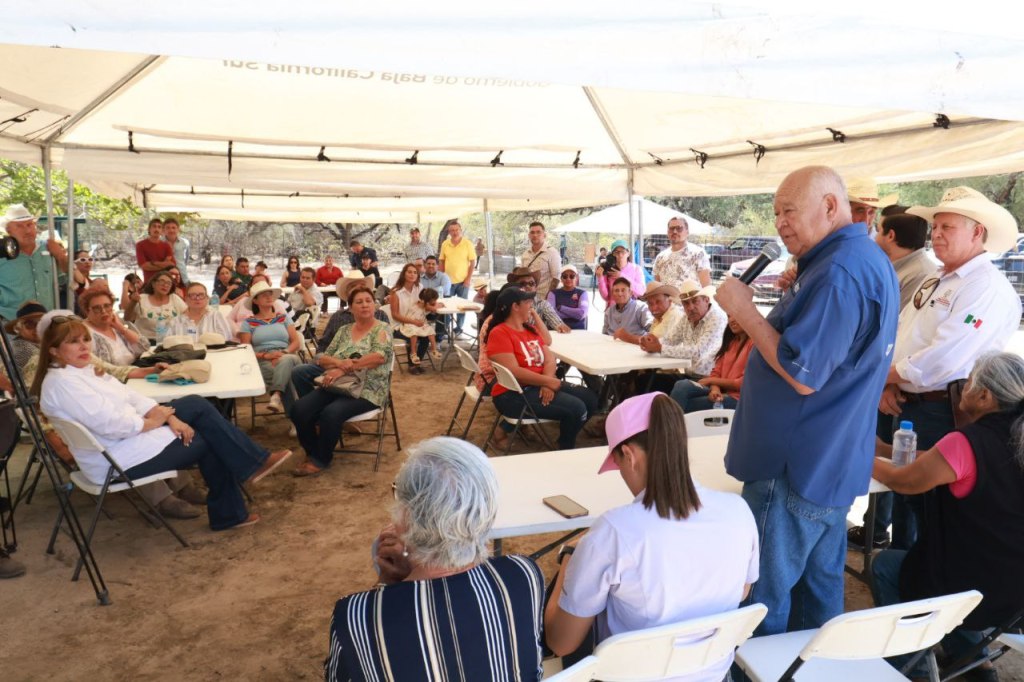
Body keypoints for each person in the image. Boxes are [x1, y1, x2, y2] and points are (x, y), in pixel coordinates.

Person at [715, 165, 899, 635]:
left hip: (794, 467)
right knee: (816, 598)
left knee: (763, 600)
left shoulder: (840, 272)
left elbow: (803, 373)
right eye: (776, 212)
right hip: (826, 460)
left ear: (831, 206)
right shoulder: (855, 260)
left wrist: (744, 311)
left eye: (789, 210)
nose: (780, 222)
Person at [544, 393, 758, 680]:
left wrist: (569, 561)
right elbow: (741, 590)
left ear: (629, 455)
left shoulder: (614, 531)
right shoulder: (738, 510)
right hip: (714, 674)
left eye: (617, 461)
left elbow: (561, 641)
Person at [33, 313, 292, 530]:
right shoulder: (64, 384)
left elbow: (130, 396)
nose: (84, 346)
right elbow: (111, 425)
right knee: (209, 438)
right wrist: (153, 423)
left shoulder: (82, 370)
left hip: (126, 442)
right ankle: (231, 510)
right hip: (116, 460)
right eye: (73, 342)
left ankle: (250, 468)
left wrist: (169, 416)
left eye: (85, 339)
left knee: (194, 403)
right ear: (54, 350)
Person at [326, 437, 543, 681]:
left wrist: (387, 586)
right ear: (487, 509)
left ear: (405, 517)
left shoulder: (356, 615)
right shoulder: (523, 574)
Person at [877, 186, 1021, 552]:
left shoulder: (985, 286)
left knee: (932, 505)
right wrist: (891, 384)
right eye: (935, 226)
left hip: (946, 409)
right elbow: (902, 334)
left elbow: (944, 360)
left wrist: (885, 378)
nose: (936, 234)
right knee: (910, 501)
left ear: (977, 233)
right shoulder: (938, 278)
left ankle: (923, 584)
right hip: (914, 403)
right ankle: (907, 570)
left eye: (947, 227)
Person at [871, 352, 1024, 680]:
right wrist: (885, 450)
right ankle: (976, 661)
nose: (962, 389)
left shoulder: (968, 441)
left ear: (985, 396)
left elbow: (904, 481)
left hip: (974, 589)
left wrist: (859, 456)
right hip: (1016, 598)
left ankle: (909, 667)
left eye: (968, 383)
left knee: (886, 566)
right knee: (962, 581)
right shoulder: (1013, 439)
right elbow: (941, 461)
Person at [846, 208, 938, 550]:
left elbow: (887, 329)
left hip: (902, 385)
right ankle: (878, 528)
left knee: (898, 463)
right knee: (888, 455)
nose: (874, 235)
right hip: (889, 380)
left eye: (878, 229)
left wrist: (886, 380)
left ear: (891, 236)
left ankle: (889, 540)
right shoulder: (905, 269)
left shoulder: (919, 273)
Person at [290, 286, 393, 477]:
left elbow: (378, 357)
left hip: (369, 388)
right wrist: (339, 364)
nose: (364, 305)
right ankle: (313, 452)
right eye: (359, 302)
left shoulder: (382, 329)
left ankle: (321, 459)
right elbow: (322, 358)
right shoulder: (344, 330)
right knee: (299, 409)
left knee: (331, 413)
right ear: (351, 307)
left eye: (368, 300)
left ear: (375, 305)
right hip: (337, 384)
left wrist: (344, 367)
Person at [487, 286, 598, 450]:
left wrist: (547, 383)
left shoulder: (529, 330)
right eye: (528, 302)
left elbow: (549, 358)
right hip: (513, 393)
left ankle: (564, 439)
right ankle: (565, 447)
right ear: (515, 306)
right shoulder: (499, 333)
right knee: (577, 408)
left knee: (590, 399)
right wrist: (548, 381)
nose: (532, 304)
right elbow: (514, 372)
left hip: (538, 384)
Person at [237, 281, 302, 415]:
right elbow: (245, 350)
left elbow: (296, 342)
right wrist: (265, 356)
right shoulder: (248, 323)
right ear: (255, 301)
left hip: (287, 355)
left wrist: (283, 353)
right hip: (264, 360)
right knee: (287, 377)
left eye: (270, 294)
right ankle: (296, 419)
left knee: (286, 361)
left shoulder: (283, 318)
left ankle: (276, 394)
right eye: (263, 295)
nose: (268, 297)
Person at [641, 280, 727, 376]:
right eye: (686, 303)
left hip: (708, 379)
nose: (690, 307)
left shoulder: (717, 318)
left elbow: (698, 353)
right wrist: (651, 343)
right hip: (688, 374)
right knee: (646, 378)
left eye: (695, 301)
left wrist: (659, 348)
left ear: (706, 300)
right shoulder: (686, 318)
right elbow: (670, 339)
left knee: (655, 381)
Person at [670, 314, 754, 412]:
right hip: (720, 391)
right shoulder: (731, 342)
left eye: (735, 315)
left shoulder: (754, 345)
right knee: (682, 385)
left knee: (686, 403)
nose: (731, 320)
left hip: (738, 400)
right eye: (729, 316)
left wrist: (711, 381)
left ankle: (668, 426)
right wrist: (715, 389)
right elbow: (716, 373)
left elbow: (742, 383)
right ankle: (670, 425)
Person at [0, 203, 68, 320]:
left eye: (29, 224)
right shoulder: (1, 253)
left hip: (46, 323)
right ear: (8, 231)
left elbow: (66, 279)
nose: (27, 230)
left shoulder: (49, 249)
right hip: (11, 324)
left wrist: (61, 257)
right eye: (19, 226)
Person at [81, 288, 150, 365]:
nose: (103, 311)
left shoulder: (115, 327)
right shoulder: (84, 333)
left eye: (107, 306)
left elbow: (145, 347)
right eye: (96, 308)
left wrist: (121, 328)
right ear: (87, 311)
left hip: (133, 373)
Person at [123, 270, 187, 343]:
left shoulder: (174, 298)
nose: (165, 285)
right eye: (162, 281)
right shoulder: (142, 298)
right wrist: (133, 302)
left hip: (170, 341)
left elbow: (187, 316)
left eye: (169, 283)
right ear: (153, 284)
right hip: (145, 342)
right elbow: (127, 318)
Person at [389, 263, 429, 374]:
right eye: (409, 272)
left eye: (415, 272)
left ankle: (417, 362)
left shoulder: (420, 287)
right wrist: (413, 322)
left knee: (426, 337)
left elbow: (424, 304)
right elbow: (395, 315)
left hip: (415, 322)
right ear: (404, 274)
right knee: (412, 335)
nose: (412, 274)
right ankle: (412, 366)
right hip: (399, 325)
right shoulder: (396, 292)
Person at [438, 219, 476, 335]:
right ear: (449, 232)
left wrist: (468, 279)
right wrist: (441, 277)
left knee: (462, 307)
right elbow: (442, 261)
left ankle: (459, 327)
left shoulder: (467, 243)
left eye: (457, 230)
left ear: (461, 230)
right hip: (448, 282)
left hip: (463, 281)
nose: (455, 232)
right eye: (452, 230)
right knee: (447, 306)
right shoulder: (445, 244)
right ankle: (446, 328)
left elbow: (473, 262)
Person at [652, 216, 712, 288]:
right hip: (668, 299)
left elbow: (706, 287)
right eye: (671, 229)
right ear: (667, 232)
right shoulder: (660, 258)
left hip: (691, 299)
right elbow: (658, 288)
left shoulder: (698, 254)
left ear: (687, 232)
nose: (674, 231)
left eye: (679, 228)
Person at [508, 267, 570, 333]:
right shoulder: (508, 304)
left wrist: (560, 326)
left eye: (531, 283)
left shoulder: (543, 304)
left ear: (535, 287)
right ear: (514, 287)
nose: (528, 286)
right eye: (522, 284)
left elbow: (557, 322)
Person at [168, 282, 235, 340]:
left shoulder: (216, 317)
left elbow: (227, 340)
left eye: (201, 295)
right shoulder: (176, 321)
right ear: (186, 299)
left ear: (207, 298)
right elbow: (168, 344)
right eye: (193, 295)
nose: (197, 298)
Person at [602, 276, 653, 344]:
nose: (620, 294)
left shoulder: (640, 308)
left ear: (630, 293)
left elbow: (652, 330)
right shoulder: (609, 311)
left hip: (634, 348)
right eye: (616, 291)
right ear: (612, 294)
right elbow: (604, 334)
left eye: (623, 290)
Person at [521, 221, 562, 298]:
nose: (535, 235)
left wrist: (548, 298)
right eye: (532, 232)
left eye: (538, 232)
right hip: (527, 298)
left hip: (544, 298)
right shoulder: (525, 254)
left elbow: (556, 278)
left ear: (544, 235)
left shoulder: (552, 253)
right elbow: (522, 277)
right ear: (529, 235)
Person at [596, 239, 644, 304]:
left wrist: (622, 276)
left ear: (628, 253)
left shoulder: (636, 269)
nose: (620, 255)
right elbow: (606, 297)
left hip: (631, 311)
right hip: (612, 311)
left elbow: (641, 292)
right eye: (616, 252)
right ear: (612, 255)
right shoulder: (608, 270)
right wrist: (600, 278)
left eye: (623, 251)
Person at [547, 264, 588, 331]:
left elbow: (582, 314)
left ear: (576, 278)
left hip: (578, 331)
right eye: (565, 276)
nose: (568, 279)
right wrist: (574, 314)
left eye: (572, 276)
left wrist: (561, 308)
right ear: (561, 278)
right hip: (558, 330)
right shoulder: (552, 293)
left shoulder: (582, 293)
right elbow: (550, 314)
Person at [135, 218, 175, 285]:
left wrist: (152, 263)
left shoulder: (166, 246)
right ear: (149, 229)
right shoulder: (140, 245)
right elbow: (143, 265)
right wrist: (164, 264)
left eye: (159, 227)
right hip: (149, 283)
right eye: (154, 226)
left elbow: (172, 264)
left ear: (162, 231)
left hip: (164, 283)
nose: (156, 229)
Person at [162, 218, 190, 284]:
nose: (171, 230)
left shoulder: (184, 243)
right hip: (164, 275)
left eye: (173, 228)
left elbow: (186, 259)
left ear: (178, 229)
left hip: (182, 275)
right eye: (168, 228)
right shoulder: (159, 243)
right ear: (164, 230)